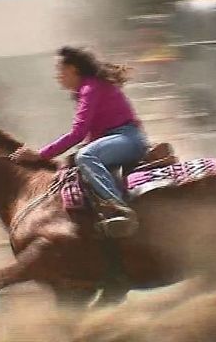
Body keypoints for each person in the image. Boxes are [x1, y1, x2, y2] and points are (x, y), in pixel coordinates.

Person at [10, 46, 148, 238]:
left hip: (127, 139)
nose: (57, 76)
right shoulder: (90, 88)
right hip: (120, 138)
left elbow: (78, 134)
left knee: (86, 155)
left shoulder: (90, 88)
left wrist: (40, 155)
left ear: (73, 69)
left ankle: (118, 209)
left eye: (60, 69)